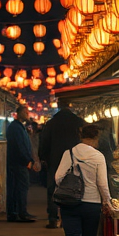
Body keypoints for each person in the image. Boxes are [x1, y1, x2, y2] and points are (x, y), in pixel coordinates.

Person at [54, 121, 111, 236]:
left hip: (70, 203)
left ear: (81, 136)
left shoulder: (69, 153)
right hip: (91, 204)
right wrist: (107, 201)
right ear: (95, 138)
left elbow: (58, 177)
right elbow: (102, 183)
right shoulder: (98, 156)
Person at [38, 94, 83, 228]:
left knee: (53, 189)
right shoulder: (78, 122)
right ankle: (70, 217)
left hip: (55, 160)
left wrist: (44, 158)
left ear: (59, 106)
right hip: (76, 159)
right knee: (74, 187)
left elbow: (44, 143)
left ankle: (53, 218)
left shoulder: (51, 123)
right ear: (70, 106)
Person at [6, 104, 36, 221]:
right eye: (25, 113)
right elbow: (19, 146)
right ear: (19, 114)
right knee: (19, 188)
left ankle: (20, 212)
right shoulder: (15, 127)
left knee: (20, 188)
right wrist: (27, 159)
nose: (27, 115)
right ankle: (18, 213)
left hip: (19, 162)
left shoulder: (19, 127)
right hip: (18, 163)